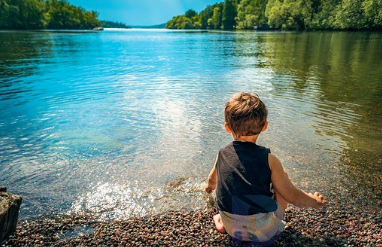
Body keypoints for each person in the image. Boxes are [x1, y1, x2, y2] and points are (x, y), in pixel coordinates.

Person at [205, 92, 327, 244]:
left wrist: (208, 190)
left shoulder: (222, 153)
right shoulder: (269, 159)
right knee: (282, 178)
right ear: (264, 127)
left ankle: (221, 222)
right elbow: (292, 196)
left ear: (227, 128)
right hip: (264, 231)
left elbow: (211, 180)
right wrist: (314, 201)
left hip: (232, 227)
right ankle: (278, 223)